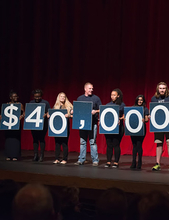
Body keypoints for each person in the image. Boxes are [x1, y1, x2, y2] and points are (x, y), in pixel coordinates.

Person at [75, 82, 102, 166]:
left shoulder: (96, 98)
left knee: (92, 141)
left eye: (92, 88)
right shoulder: (80, 98)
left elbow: (101, 109)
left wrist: (96, 111)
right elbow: (77, 110)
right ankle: (81, 159)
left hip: (92, 123)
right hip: (82, 124)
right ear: (85, 89)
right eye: (90, 88)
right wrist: (73, 111)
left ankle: (95, 160)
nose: (91, 90)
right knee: (82, 142)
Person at [104, 89, 125, 168]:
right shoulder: (107, 104)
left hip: (118, 128)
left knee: (116, 144)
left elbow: (125, 115)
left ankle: (116, 162)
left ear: (118, 96)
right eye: (111, 95)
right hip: (108, 128)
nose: (112, 96)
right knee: (109, 144)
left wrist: (120, 119)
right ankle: (108, 161)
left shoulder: (122, 105)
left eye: (114, 95)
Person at [2, 91, 24, 161]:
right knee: (8, 139)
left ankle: (15, 155)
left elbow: (24, 112)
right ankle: (8, 155)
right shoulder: (7, 105)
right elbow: (2, 113)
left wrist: (22, 116)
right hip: (8, 124)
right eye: (14, 96)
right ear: (10, 97)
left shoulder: (19, 104)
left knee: (16, 140)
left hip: (16, 124)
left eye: (16, 96)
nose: (16, 98)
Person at [151, 82, 169, 171]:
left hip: (168, 124)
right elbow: (153, 111)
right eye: (161, 88)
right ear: (158, 89)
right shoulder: (154, 99)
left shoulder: (168, 98)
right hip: (158, 125)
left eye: (164, 88)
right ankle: (157, 163)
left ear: (166, 89)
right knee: (159, 143)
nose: (162, 90)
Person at [51, 92, 73, 165]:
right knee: (57, 143)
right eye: (61, 96)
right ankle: (57, 158)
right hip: (57, 127)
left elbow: (75, 115)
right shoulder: (55, 106)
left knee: (64, 143)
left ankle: (64, 159)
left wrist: (69, 115)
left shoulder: (69, 106)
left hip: (65, 127)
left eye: (64, 96)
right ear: (58, 97)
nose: (63, 98)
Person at [30, 89, 50, 162]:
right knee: (35, 139)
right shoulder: (31, 103)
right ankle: (35, 155)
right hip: (33, 124)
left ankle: (41, 155)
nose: (37, 98)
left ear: (41, 96)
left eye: (38, 97)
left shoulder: (45, 103)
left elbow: (49, 111)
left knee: (41, 139)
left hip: (43, 124)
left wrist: (46, 114)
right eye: (36, 97)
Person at [130, 95, 149, 170]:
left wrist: (145, 119)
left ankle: (139, 163)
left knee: (139, 145)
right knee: (134, 145)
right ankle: (133, 162)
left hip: (142, 129)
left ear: (143, 101)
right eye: (138, 100)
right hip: (133, 129)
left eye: (141, 100)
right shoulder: (132, 108)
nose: (139, 101)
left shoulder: (145, 109)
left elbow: (147, 119)